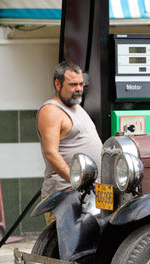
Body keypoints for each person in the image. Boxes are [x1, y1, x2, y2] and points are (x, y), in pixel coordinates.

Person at [37, 61, 102, 225]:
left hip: (87, 192)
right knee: (64, 247)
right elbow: (51, 153)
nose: (79, 89)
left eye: (81, 84)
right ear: (57, 84)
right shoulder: (51, 111)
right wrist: (78, 182)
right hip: (66, 193)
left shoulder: (76, 106)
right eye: (73, 85)